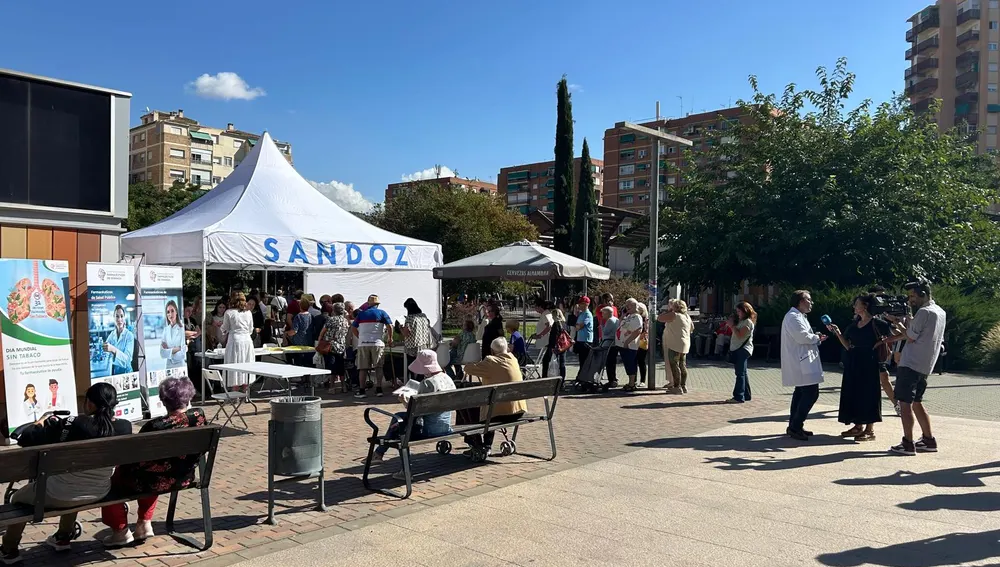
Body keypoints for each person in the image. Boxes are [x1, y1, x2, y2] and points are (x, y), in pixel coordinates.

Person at [1, 383, 132, 563]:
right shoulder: (125, 427)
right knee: (72, 483)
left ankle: (9, 549)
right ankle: (63, 536)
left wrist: (38, 424)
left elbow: (27, 439)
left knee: (17, 499)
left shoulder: (74, 423)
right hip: (100, 491)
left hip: (59, 493)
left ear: (91, 404)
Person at [100, 378, 207, 547]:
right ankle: (144, 523)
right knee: (154, 471)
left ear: (163, 400)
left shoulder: (155, 426)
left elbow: (134, 457)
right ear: (189, 397)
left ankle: (120, 531)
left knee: (109, 482)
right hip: (183, 477)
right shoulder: (199, 417)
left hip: (152, 480)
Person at [881, 280, 946, 456]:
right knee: (917, 402)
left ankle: (908, 443)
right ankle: (928, 439)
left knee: (905, 404)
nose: (910, 300)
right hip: (925, 364)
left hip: (910, 363)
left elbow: (910, 336)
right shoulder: (940, 312)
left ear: (923, 294)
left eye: (913, 296)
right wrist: (899, 329)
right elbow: (920, 334)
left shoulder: (924, 312)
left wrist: (895, 322)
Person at [371, 350, 456, 478]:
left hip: (429, 429)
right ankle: (378, 453)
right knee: (398, 418)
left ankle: (397, 466)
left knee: (400, 427)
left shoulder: (427, 383)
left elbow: (415, 412)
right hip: (445, 426)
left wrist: (404, 401)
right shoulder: (447, 378)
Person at [826, 294, 890, 442]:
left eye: (856, 304)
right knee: (854, 393)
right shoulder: (854, 324)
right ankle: (858, 425)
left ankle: (870, 429)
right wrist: (838, 333)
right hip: (854, 361)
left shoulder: (877, 323)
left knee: (869, 394)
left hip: (870, 361)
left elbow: (896, 336)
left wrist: (880, 343)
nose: (854, 307)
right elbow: (848, 345)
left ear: (865, 306)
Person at [462, 337, 527, 456]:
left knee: (465, 406)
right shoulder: (513, 359)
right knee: (492, 404)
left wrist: (472, 362)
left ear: (492, 351)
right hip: (518, 411)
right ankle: (486, 445)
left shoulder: (491, 361)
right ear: (506, 349)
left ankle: (475, 443)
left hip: (499, 414)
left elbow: (468, 369)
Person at [781, 290, 827, 441]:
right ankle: (795, 425)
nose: (811, 302)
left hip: (804, 360)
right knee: (811, 393)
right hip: (801, 362)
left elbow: (804, 335)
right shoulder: (793, 317)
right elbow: (802, 337)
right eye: (809, 299)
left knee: (801, 392)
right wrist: (817, 337)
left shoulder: (799, 316)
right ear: (800, 302)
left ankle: (794, 425)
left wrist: (815, 337)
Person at [352, 295, 394, 398]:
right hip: (377, 343)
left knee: (363, 368)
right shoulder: (382, 313)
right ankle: (379, 389)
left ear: (368, 303)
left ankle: (362, 391)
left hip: (363, 344)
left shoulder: (361, 314)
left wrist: (360, 336)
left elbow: (353, 328)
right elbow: (390, 326)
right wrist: (390, 338)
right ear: (377, 304)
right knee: (378, 367)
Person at [221, 292, 255, 388]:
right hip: (247, 340)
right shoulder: (248, 313)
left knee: (234, 365)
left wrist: (221, 328)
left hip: (235, 340)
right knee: (246, 364)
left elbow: (225, 328)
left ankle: (235, 391)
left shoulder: (229, 312)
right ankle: (245, 391)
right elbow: (250, 329)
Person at [726, 302, 757, 404]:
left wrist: (732, 326)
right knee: (743, 373)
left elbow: (740, 335)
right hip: (738, 349)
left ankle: (738, 396)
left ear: (745, 311)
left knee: (740, 374)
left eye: (739, 311)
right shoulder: (742, 321)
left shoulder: (747, 322)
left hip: (743, 349)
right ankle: (746, 395)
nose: (738, 313)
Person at [659, 299, 693, 394]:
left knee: (674, 364)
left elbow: (660, 318)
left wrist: (668, 311)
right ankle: (683, 386)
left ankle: (676, 387)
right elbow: (692, 328)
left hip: (675, 344)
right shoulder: (687, 316)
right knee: (682, 365)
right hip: (685, 343)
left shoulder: (674, 315)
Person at [402, 298, 436, 379]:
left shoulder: (409, 318)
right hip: (424, 345)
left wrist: (400, 328)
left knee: (412, 368)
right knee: (421, 367)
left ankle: (413, 383)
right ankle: (420, 382)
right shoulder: (423, 316)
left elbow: (406, 333)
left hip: (412, 346)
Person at [320, 302, 350, 392]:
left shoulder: (331, 319)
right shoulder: (345, 321)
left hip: (331, 345)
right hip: (341, 345)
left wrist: (320, 341)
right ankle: (343, 387)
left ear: (334, 310)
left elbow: (323, 331)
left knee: (332, 366)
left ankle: (332, 387)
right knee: (341, 367)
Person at [616, 299, 644, 392]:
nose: (627, 307)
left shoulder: (637, 317)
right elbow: (620, 324)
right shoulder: (629, 316)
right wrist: (623, 315)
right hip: (623, 343)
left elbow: (638, 330)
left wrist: (627, 342)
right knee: (627, 364)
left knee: (630, 363)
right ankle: (631, 382)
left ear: (635, 306)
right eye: (626, 305)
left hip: (630, 345)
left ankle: (632, 383)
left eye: (629, 305)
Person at [104, 305, 135, 375]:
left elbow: (127, 360)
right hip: (115, 372)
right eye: (117, 316)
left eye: (121, 316)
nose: (119, 319)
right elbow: (106, 349)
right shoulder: (112, 334)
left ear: (124, 318)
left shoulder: (129, 335)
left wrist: (113, 350)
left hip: (126, 373)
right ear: (113, 318)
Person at [542, 309, 569, 379]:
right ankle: (562, 379)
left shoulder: (556, 324)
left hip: (555, 346)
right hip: (563, 345)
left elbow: (554, 337)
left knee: (546, 361)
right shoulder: (564, 323)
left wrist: (551, 346)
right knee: (562, 363)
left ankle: (545, 376)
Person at [287, 297, 314, 367]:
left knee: (299, 363)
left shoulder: (298, 316)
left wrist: (286, 333)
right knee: (308, 364)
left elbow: (294, 331)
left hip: (299, 342)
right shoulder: (311, 316)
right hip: (309, 342)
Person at [159, 300, 186, 370]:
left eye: (172, 311)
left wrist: (168, 350)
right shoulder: (166, 330)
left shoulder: (182, 328)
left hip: (180, 366)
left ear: (176, 312)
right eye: (168, 312)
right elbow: (162, 353)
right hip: (168, 366)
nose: (170, 314)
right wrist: (178, 348)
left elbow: (182, 354)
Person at [601, 306, 620, 387]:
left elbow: (605, 332)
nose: (602, 315)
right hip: (615, 343)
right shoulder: (617, 319)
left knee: (609, 363)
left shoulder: (609, 320)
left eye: (603, 313)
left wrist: (602, 326)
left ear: (607, 313)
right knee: (613, 362)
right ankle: (614, 378)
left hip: (608, 343)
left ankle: (611, 380)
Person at [574, 297, 594, 368]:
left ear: (586, 304)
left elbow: (580, 326)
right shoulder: (581, 314)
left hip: (586, 340)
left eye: (581, 304)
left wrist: (578, 326)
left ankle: (584, 377)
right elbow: (576, 326)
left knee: (585, 360)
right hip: (580, 339)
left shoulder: (587, 314)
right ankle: (581, 376)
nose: (579, 305)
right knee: (581, 360)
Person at [635, 303, 650, 385]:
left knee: (641, 361)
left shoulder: (645, 319)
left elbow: (646, 331)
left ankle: (642, 380)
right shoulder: (634, 317)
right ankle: (633, 379)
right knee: (634, 361)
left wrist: (638, 337)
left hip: (642, 342)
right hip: (635, 341)